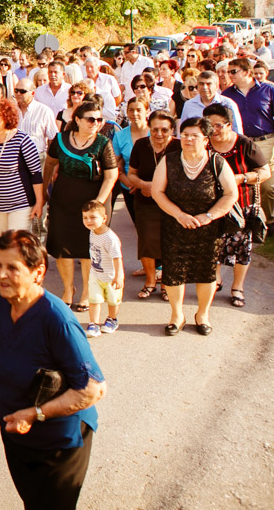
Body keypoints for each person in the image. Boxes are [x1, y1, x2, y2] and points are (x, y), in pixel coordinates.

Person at [0, 230, 106, 510]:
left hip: (59, 443)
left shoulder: (57, 319)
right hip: (17, 434)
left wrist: (36, 413)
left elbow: (93, 389)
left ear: (38, 271)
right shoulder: (0, 301)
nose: (1, 275)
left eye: (12, 268)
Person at [151, 117, 240, 336]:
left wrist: (209, 216)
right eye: (185, 134)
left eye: (195, 135)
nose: (188, 139)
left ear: (206, 140)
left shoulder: (216, 161)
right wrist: (179, 214)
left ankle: (202, 314)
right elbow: (157, 192)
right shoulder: (169, 160)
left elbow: (231, 194)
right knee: (174, 272)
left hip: (207, 229)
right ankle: (176, 316)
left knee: (206, 272)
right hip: (174, 225)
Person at [44, 102, 119, 312]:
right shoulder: (60, 140)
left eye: (99, 119)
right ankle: (68, 290)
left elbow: (111, 175)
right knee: (62, 248)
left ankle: (87, 291)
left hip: (93, 200)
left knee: (88, 249)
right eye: (90, 119)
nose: (96, 123)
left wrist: (98, 204)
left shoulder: (103, 143)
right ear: (77, 120)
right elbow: (49, 164)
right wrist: (43, 193)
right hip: (63, 199)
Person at [204, 104, 270, 309]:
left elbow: (265, 172)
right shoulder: (204, 145)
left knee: (242, 248)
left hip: (240, 207)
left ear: (229, 125)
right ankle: (216, 280)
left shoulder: (244, 144)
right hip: (211, 206)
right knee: (213, 246)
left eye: (218, 125)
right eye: (209, 125)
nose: (213, 130)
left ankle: (238, 287)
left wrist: (241, 178)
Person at [223, 56, 274, 232]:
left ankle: (268, 221)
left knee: (267, 185)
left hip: (265, 141)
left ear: (246, 72)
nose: (230, 75)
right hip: (239, 143)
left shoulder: (269, 90)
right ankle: (244, 220)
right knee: (243, 183)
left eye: (233, 71)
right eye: (229, 72)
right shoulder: (227, 95)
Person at [0, 98, 44, 237]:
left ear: (7, 116)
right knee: (3, 246)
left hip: (21, 204)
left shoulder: (22, 140)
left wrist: (39, 202)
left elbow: (36, 174)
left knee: (15, 245)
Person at [129, 112, 177, 298]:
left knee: (170, 242)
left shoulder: (179, 146)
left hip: (172, 202)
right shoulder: (141, 145)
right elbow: (131, 173)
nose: (159, 134)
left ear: (172, 130)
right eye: (155, 129)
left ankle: (166, 284)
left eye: (164, 130)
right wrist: (143, 185)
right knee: (147, 241)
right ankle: (150, 281)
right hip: (145, 200)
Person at [80, 200, 123, 338]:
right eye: (85, 218)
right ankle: (93, 323)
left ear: (104, 218)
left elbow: (117, 258)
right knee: (94, 299)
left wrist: (119, 275)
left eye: (93, 217)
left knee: (113, 300)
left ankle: (112, 319)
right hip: (96, 274)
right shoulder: (92, 232)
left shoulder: (110, 238)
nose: (88, 221)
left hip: (110, 276)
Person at [13, 79, 58, 158]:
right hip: (14, 158)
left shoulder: (44, 111)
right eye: (16, 91)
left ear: (32, 93)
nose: (18, 94)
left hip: (37, 157)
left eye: (22, 91)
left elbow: (53, 138)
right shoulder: (10, 110)